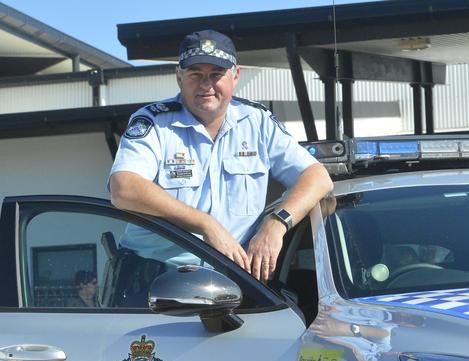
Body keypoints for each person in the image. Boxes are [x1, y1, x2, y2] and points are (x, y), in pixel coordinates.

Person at [109, 29, 333, 281]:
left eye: (216, 74)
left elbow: (317, 177)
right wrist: (206, 224)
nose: (206, 85)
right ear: (179, 77)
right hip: (153, 274)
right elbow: (123, 189)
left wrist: (276, 223)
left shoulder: (257, 122)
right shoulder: (153, 122)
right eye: (195, 74)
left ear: (235, 76)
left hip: (237, 275)